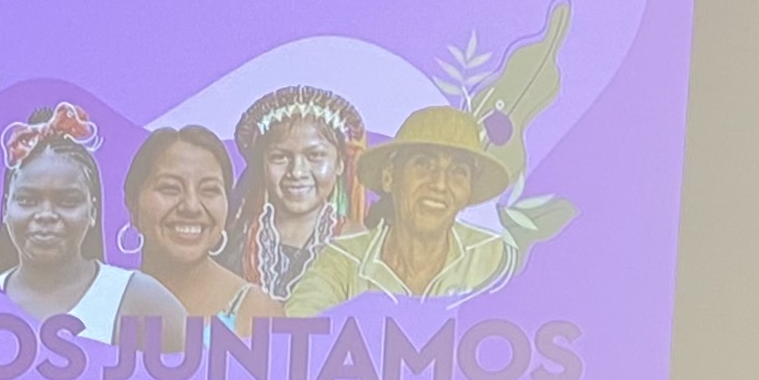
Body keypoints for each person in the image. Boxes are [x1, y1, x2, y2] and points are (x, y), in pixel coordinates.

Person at [284, 105, 522, 306]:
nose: (440, 184)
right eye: (423, 163)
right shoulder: (344, 261)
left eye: (458, 171)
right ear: (390, 177)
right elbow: (296, 334)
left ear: (468, 192)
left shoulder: (492, 258)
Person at [0, 105, 138, 334]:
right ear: (6, 209)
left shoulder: (138, 298)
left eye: (67, 201)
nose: (46, 215)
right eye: (27, 200)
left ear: (93, 211)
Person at [222, 86, 366, 303]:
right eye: (280, 157)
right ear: (262, 164)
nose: (297, 172)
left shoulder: (356, 241)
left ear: (340, 164)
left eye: (315, 155)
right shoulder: (236, 238)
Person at [121, 125, 273, 328]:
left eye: (209, 190)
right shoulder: (102, 306)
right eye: (170, 188)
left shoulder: (257, 311)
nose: (191, 206)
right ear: (132, 204)